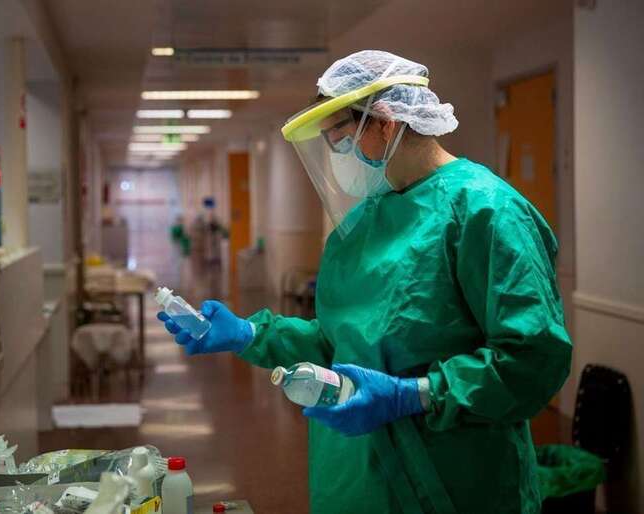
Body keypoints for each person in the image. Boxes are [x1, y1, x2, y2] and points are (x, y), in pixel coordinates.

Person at [157, 50, 572, 514]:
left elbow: (532, 358)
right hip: (356, 477)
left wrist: (413, 395)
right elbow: (341, 342)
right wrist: (251, 334)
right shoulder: (362, 225)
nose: (336, 156)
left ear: (386, 122)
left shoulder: (485, 209)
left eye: (339, 137)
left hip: (456, 478)